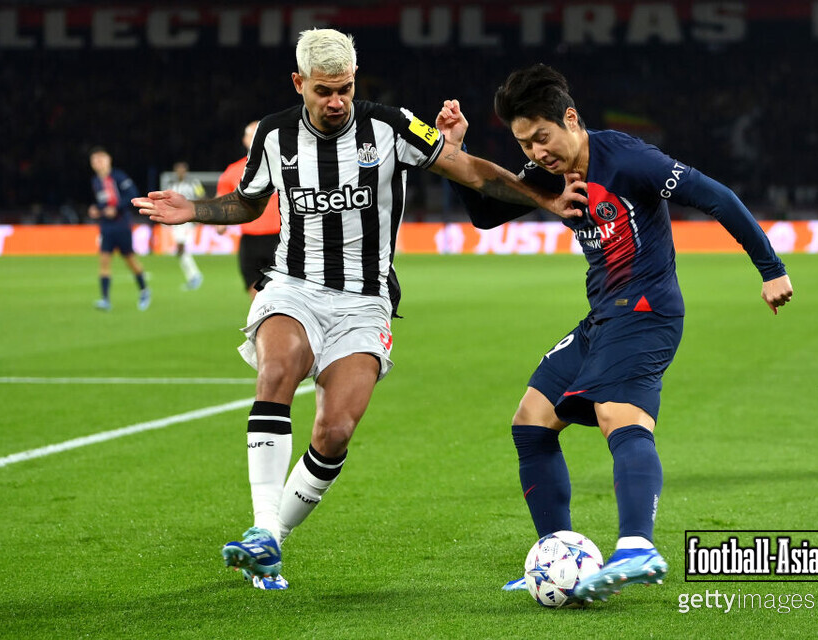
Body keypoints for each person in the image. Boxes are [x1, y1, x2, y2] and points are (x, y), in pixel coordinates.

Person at [132, 30, 584, 591]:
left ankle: (274, 541)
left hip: (365, 301)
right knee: (278, 370)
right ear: (299, 84)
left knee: (335, 430)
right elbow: (249, 201)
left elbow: (471, 171)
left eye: (345, 89)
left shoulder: (392, 126)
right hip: (293, 286)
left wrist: (543, 198)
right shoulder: (274, 135)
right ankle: (262, 528)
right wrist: (194, 210)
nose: (337, 101)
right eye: (324, 91)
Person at [435, 64, 793, 602]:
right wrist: (451, 153)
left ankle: (637, 547)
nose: (536, 153)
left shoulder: (627, 159)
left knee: (616, 415)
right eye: (525, 144)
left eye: (542, 137)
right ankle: (557, 558)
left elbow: (715, 195)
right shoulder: (551, 176)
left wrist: (770, 269)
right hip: (604, 315)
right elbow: (486, 214)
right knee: (531, 422)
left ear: (571, 119)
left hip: (646, 311)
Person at [215, 122, 282, 300]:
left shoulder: (285, 166)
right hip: (250, 241)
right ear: (244, 140)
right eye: (251, 136)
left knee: (280, 293)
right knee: (256, 292)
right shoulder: (233, 171)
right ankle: (263, 322)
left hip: (280, 239)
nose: (255, 140)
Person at [88, 147, 151, 311]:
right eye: (94, 160)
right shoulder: (96, 181)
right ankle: (105, 299)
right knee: (104, 260)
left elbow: (132, 194)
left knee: (130, 260)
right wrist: (97, 209)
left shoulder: (118, 177)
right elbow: (104, 203)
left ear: (109, 160)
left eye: (101, 159)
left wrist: (116, 208)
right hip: (106, 226)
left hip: (121, 224)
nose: (98, 163)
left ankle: (144, 290)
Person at [166, 161, 206, 290]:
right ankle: (193, 276)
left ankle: (195, 276)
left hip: (189, 219)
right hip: (176, 220)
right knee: (180, 250)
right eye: (178, 170)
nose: (180, 172)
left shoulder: (194, 183)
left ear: (186, 170)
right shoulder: (172, 185)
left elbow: (202, 196)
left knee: (181, 248)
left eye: (182, 169)